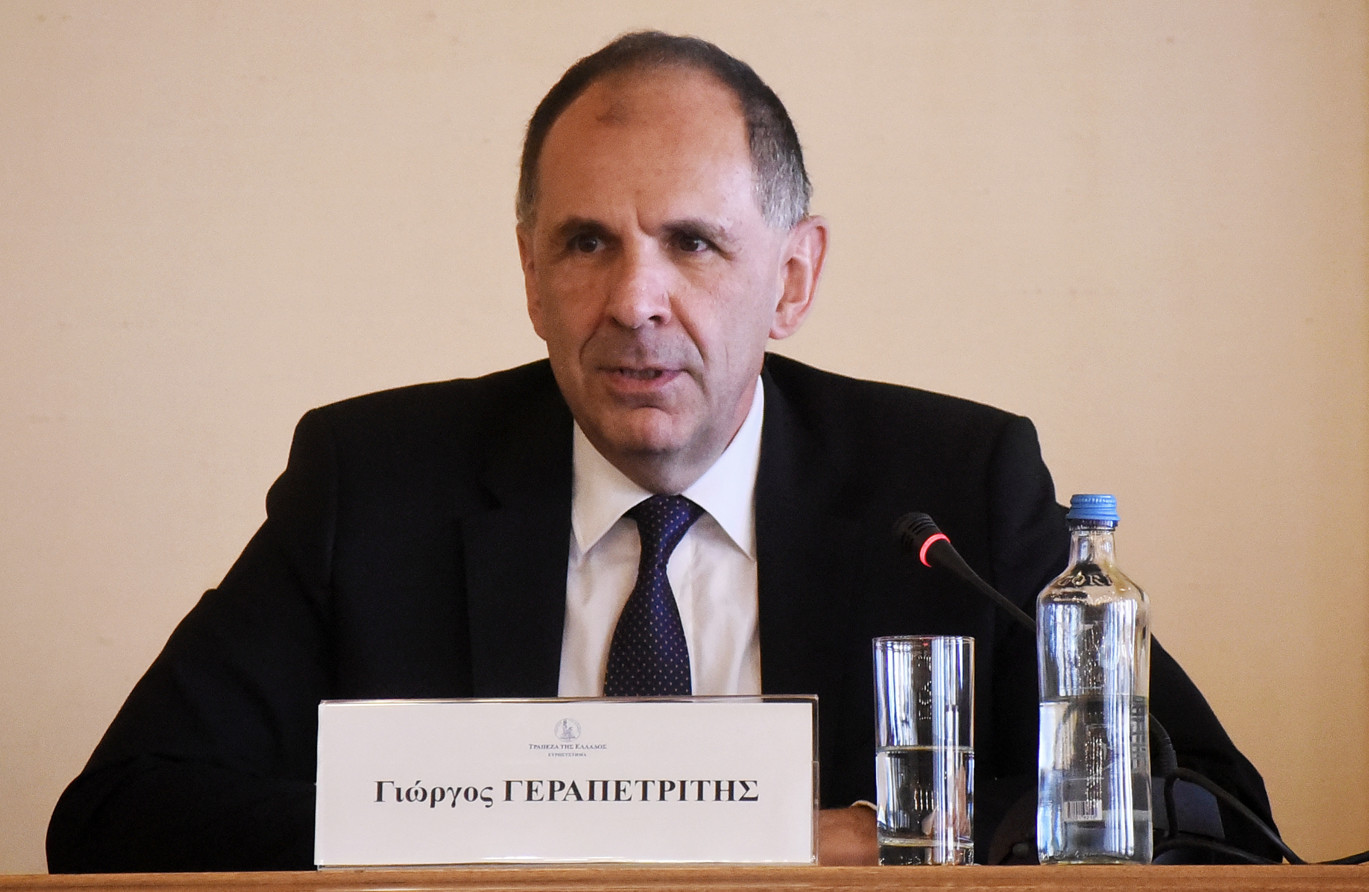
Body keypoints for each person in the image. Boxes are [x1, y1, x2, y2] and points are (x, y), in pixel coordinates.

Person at [47, 31, 1276, 872]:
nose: (634, 301)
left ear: (791, 278)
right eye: (586, 243)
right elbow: (118, 813)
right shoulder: (373, 483)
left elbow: (1206, 807)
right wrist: (485, 816)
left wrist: (893, 831)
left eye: (692, 243)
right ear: (530, 275)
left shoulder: (953, 485)